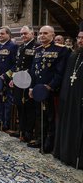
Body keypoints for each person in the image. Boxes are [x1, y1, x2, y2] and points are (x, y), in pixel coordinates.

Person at [28, 25, 70, 153]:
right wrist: (31, 87)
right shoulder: (38, 49)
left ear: (53, 35)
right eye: (40, 33)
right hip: (37, 90)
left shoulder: (62, 50)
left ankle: (49, 143)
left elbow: (60, 72)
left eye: (45, 33)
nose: (42, 35)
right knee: (39, 114)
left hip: (51, 91)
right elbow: (33, 70)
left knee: (50, 117)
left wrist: (50, 86)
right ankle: (40, 139)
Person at [53, 27, 83, 169]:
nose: (80, 41)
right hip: (69, 98)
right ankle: (64, 153)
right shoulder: (73, 56)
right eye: (79, 38)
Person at [7, 26, 37, 142]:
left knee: (28, 108)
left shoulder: (36, 46)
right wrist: (13, 78)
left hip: (29, 81)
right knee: (19, 105)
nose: (23, 36)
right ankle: (21, 130)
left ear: (32, 34)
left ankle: (28, 132)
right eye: (21, 34)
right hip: (19, 81)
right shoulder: (20, 47)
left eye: (25, 33)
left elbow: (34, 66)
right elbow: (17, 65)